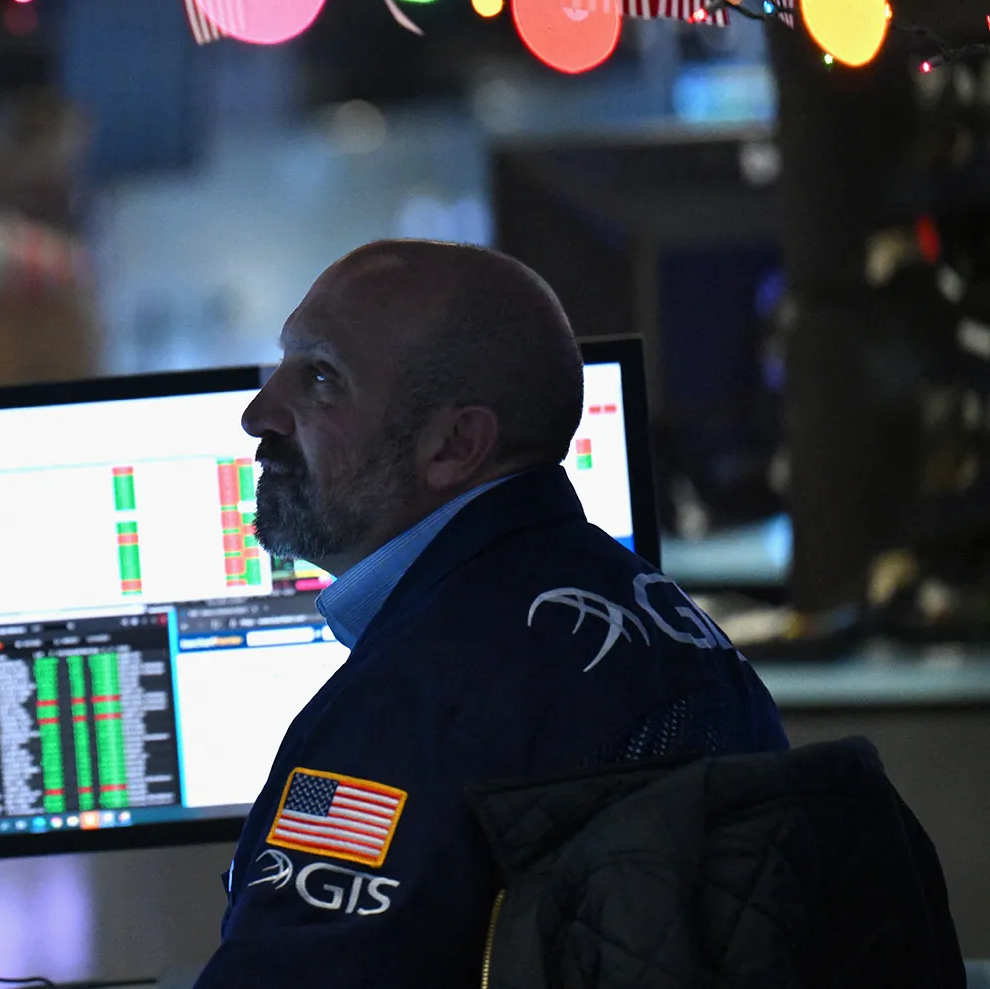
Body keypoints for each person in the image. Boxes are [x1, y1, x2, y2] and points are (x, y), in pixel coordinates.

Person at [195, 240, 787, 989]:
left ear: (455, 445)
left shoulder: (415, 697)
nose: (259, 412)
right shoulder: (682, 633)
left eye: (319, 378)